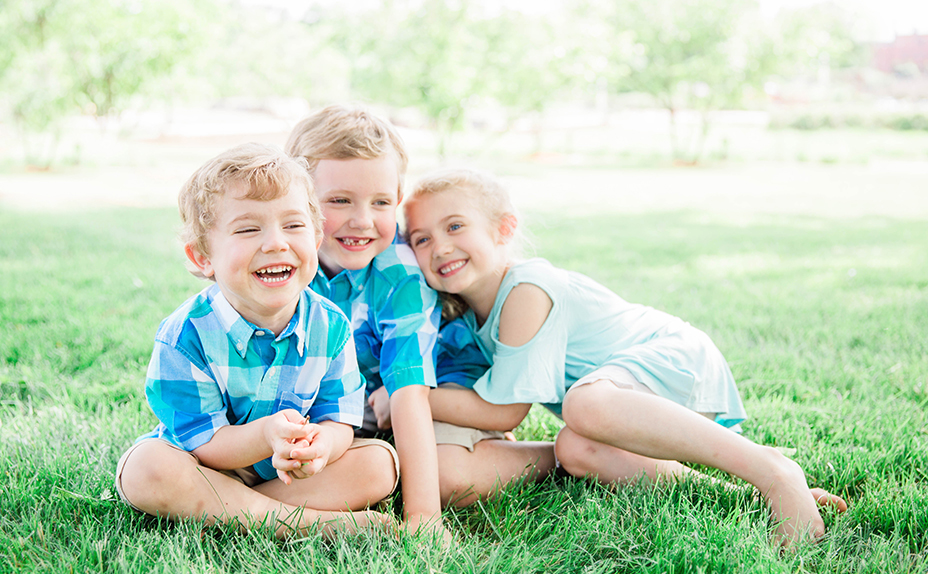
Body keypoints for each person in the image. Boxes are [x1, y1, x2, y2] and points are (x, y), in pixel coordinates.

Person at [402, 168, 847, 546]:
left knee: (586, 404)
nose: (439, 247)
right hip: (624, 404)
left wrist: (403, 395)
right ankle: (741, 496)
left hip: (672, 360)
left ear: (504, 229)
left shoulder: (526, 288)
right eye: (421, 239)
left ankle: (773, 471)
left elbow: (505, 412)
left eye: (455, 227)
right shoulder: (470, 319)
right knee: (576, 447)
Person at [285, 106, 553, 533]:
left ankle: (550, 457)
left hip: (443, 387)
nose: (362, 221)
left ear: (398, 198)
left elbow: (409, 393)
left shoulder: (399, 275)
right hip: (366, 399)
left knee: (446, 479)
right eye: (339, 201)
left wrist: (423, 518)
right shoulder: (287, 265)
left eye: (381, 203)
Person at [116, 143, 398, 538]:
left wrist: (319, 447)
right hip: (208, 467)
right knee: (146, 470)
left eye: (294, 225)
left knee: (379, 465)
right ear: (202, 257)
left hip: (288, 477)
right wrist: (267, 436)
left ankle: (234, 512)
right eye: (249, 229)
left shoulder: (330, 324)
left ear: (316, 237)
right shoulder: (185, 335)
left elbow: (340, 419)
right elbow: (206, 443)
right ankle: (300, 524)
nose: (276, 243)